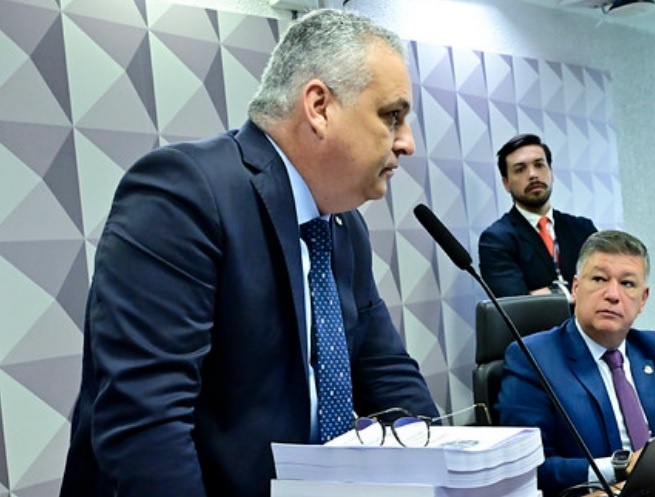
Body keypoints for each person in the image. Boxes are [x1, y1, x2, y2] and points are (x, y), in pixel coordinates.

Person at [59, 10, 437, 497]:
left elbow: (386, 372)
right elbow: (145, 422)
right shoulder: (184, 193)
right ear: (319, 107)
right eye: (392, 116)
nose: (407, 143)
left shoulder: (343, 226)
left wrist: (446, 471)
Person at [496, 230, 655, 497]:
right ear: (575, 288)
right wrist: (621, 466)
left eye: (627, 283)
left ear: (643, 299)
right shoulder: (532, 358)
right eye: (599, 279)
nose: (612, 294)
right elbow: (527, 469)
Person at [478, 133, 597, 299]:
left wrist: (544, 294)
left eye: (539, 165)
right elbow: (518, 304)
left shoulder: (583, 229)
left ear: (551, 173)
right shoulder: (496, 239)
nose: (533, 174)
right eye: (520, 169)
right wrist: (572, 292)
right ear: (506, 183)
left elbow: (604, 285)